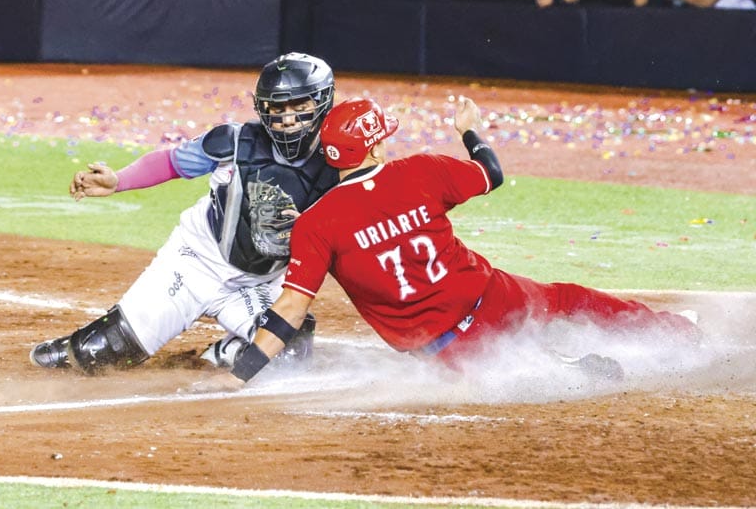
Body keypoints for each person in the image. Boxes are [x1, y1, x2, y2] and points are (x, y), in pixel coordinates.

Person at [187, 97, 699, 392]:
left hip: (444, 348)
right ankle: (673, 332)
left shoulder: (318, 223)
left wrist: (246, 371)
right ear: (375, 144)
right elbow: (491, 174)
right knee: (564, 300)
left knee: (515, 373)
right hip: (493, 295)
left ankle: (565, 371)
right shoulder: (422, 171)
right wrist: (469, 128)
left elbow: (290, 309)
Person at [30, 52, 340, 374]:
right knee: (98, 353)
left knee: (288, 355)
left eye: (299, 106)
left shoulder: (339, 166)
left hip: (258, 283)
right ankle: (80, 347)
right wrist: (119, 180)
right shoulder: (233, 142)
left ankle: (226, 352)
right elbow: (170, 163)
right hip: (195, 262)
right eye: (277, 108)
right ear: (262, 108)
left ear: (322, 102)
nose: (288, 118)